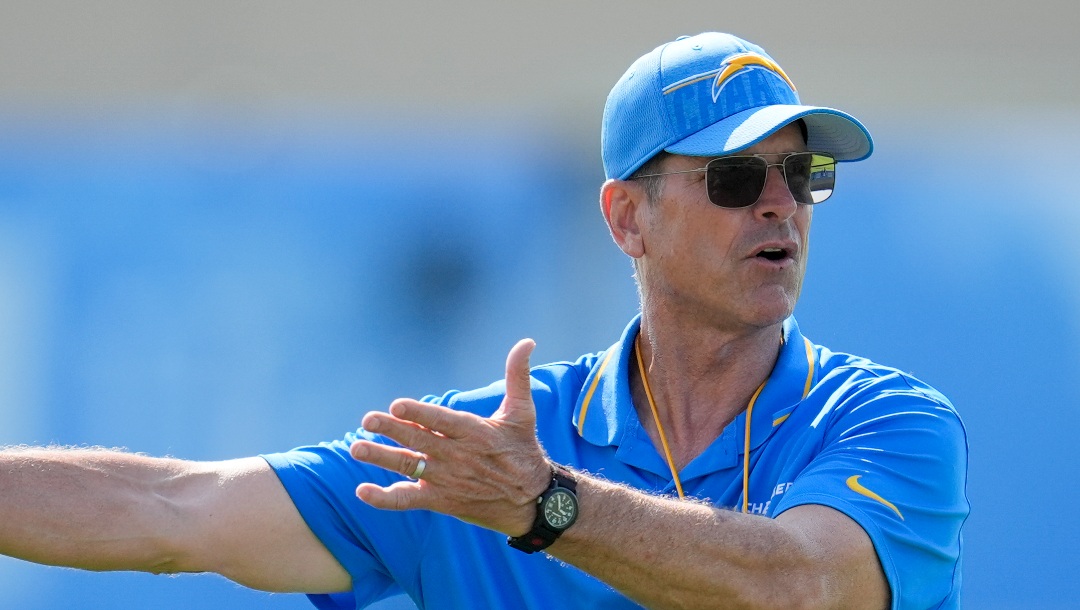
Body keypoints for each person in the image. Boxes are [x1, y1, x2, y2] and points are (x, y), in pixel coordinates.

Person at [0, 32, 968, 609]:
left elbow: (800, 587)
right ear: (628, 217)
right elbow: (175, 509)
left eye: (804, 175)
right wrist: (526, 494)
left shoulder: (885, 419)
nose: (779, 205)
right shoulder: (479, 460)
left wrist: (545, 507)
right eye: (736, 177)